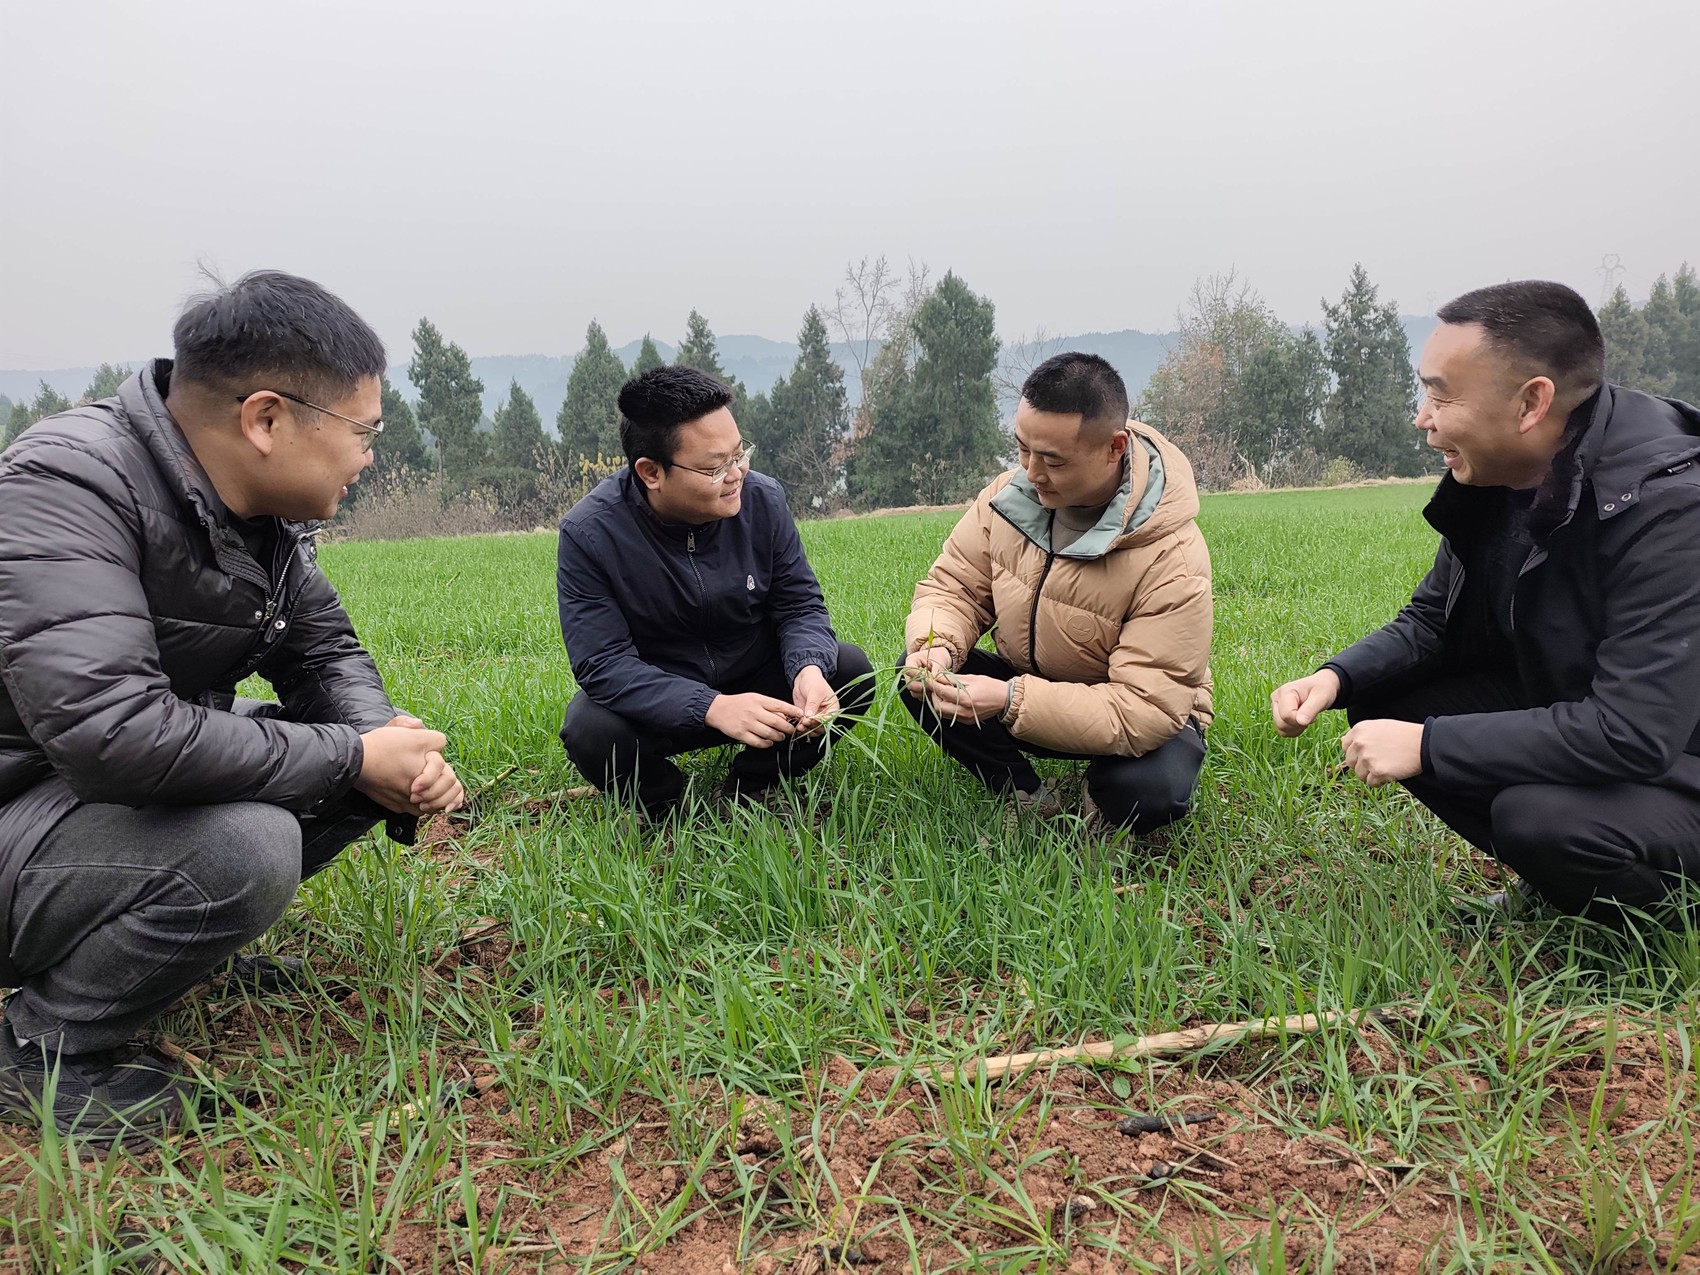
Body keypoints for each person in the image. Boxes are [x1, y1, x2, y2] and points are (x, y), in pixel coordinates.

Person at [0, 271, 465, 1142]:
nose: (369, 456)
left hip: (70, 804)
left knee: (349, 753)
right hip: (25, 800)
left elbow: (323, 650)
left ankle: (173, 956)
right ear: (266, 420)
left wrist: (383, 743)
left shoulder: (256, 516)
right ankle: (39, 1045)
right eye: (363, 431)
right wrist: (354, 755)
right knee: (249, 843)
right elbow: (112, 733)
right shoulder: (67, 483)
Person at [1271, 281, 1700, 922]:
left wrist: (1430, 746)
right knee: (1386, 697)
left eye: (1441, 395)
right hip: (1604, 718)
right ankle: (1565, 880)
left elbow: (1632, 732)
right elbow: (1432, 621)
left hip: (1676, 754)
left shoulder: (1670, 509)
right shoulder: (1504, 473)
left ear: (1531, 402)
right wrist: (1335, 677)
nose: (1423, 418)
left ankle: (1658, 915)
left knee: (1539, 820)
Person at [899, 352, 1212, 834]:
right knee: (917, 675)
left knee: (1150, 789)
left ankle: (1102, 801)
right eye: (1022, 449)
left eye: (1053, 460)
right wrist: (936, 646)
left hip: (1134, 712)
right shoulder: (1007, 499)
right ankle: (1025, 792)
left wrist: (1009, 699)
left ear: (1114, 447)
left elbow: (1144, 709)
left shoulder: (1172, 556)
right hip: (1027, 682)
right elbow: (955, 587)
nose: (1032, 472)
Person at [557, 366, 872, 814]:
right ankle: (666, 801)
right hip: (660, 701)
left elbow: (798, 605)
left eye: (740, 453)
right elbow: (603, 663)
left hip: (755, 679)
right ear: (651, 472)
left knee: (849, 669)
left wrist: (807, 669)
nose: (737, 473)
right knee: (591, 729)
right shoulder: (591, 533)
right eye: (715, 466)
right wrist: (711, 706)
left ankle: (755, 786)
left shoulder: (763, 501)